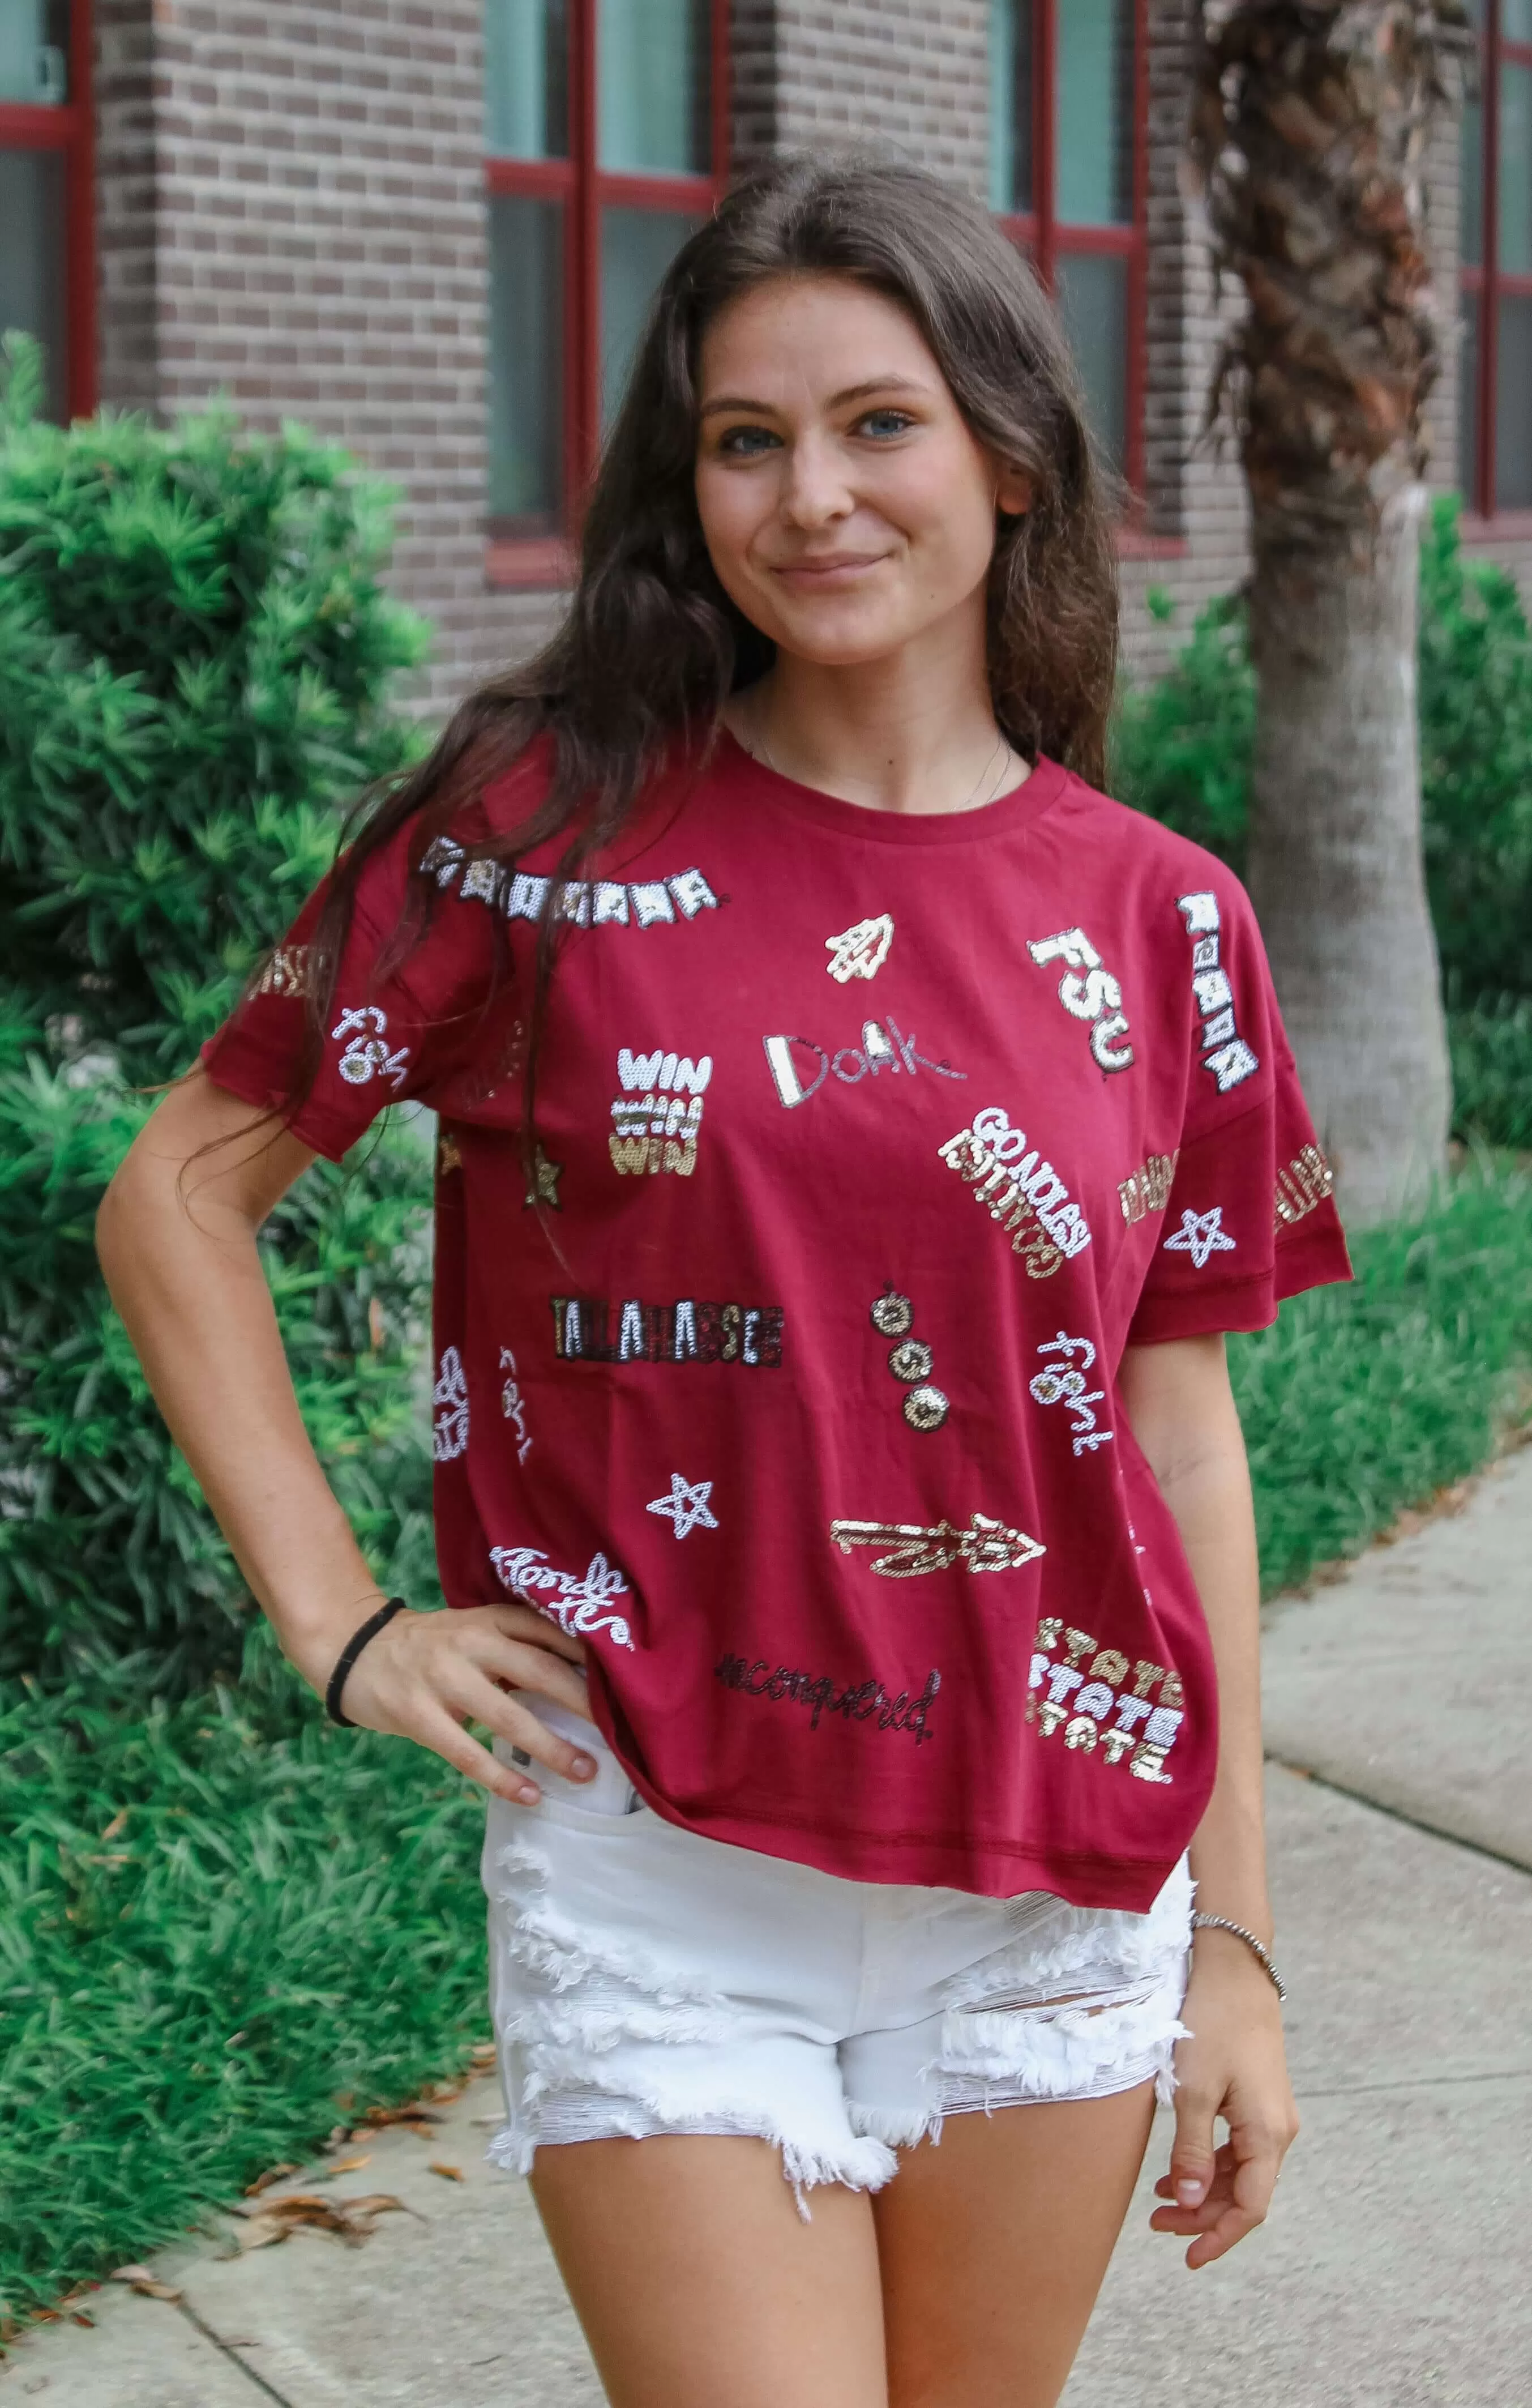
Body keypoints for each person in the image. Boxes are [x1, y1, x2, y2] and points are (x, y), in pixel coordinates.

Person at [99, 155, 1351, 2408]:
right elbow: (178, 1191)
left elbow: (1172, 1434)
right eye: (745, 439)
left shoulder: (1160, 916)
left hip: (1056, 1865)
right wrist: (337, 1619)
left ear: (1006, 446)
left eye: (878, 423)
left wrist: (1237, 1940)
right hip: (660, 1855)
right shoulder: (540, 826)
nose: (813, 496)